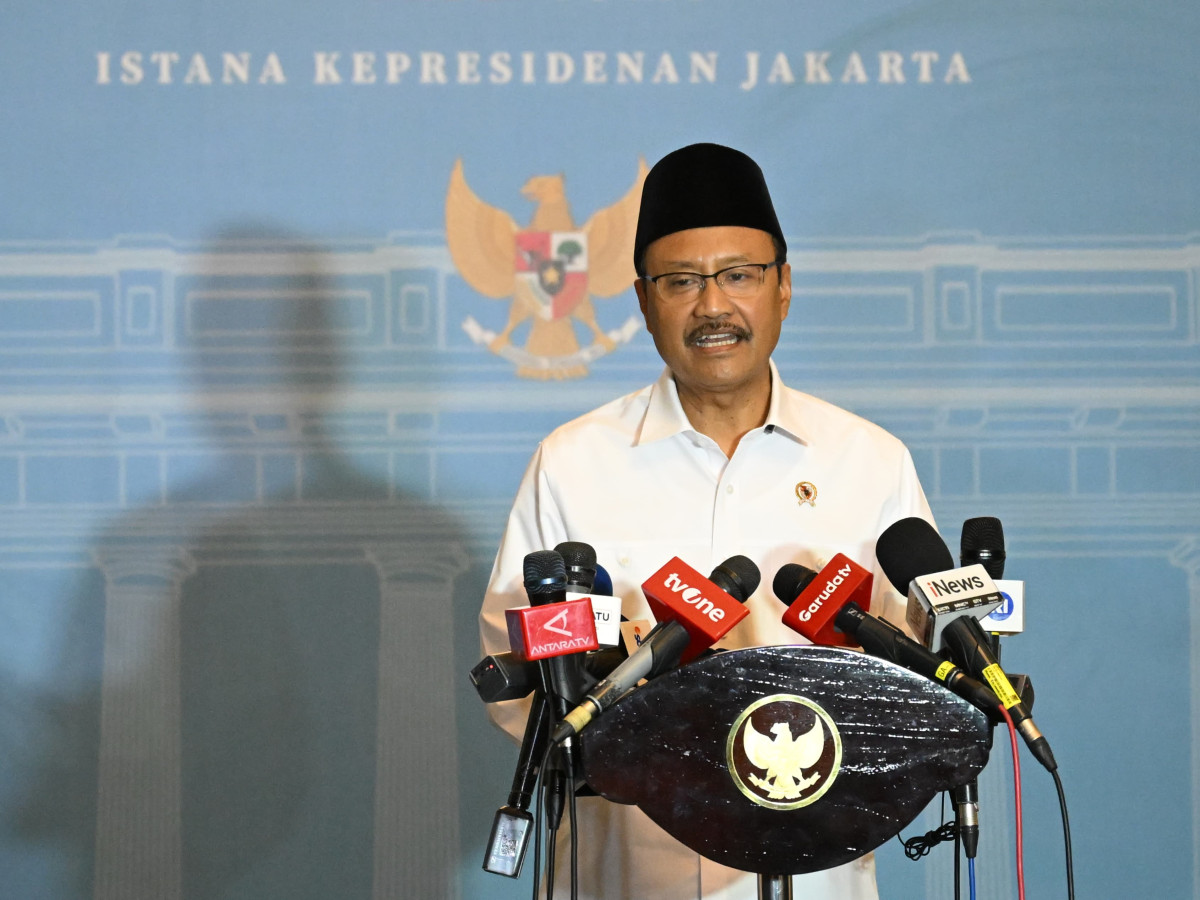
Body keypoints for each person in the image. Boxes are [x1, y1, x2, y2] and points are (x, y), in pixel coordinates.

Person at [478, 143, 934, 900]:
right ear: (643, 300)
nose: (712, 306)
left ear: (784, 287)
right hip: (627, 872)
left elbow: (917, 672)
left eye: (739, 276)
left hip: (819, 871)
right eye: (682, 281)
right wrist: (645, 755)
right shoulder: (574, 463)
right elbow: (516, 668)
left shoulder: (871, 462)